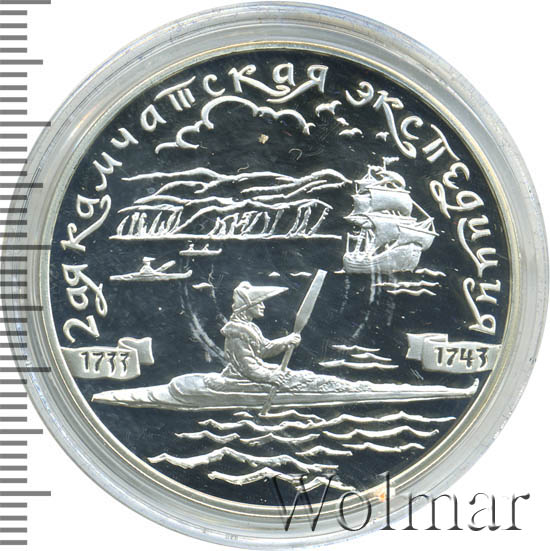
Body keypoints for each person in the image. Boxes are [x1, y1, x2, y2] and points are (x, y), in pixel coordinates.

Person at [219, 281, 300, 386]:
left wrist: (287, 340)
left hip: (256, 373)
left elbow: (264, 349)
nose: (263, 306)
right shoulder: (237, 332)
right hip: (240, 380)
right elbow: (247, 366)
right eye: (259, 303)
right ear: (247, 306)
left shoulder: (250, 328)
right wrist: (270, 376)